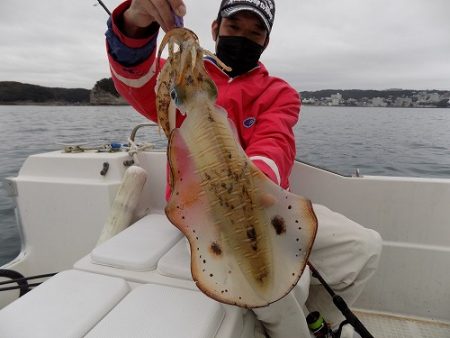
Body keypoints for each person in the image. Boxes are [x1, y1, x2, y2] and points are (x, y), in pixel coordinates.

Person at [105, 1, 382, 337]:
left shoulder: (278, 92)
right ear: (215, 29)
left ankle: (317, 320)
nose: (243, 37)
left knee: (363, 247)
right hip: (200, 212)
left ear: (265, 41)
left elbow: (275, 141)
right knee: (275, 289)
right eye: (234, 27)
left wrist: (255, 184)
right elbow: (135, 77)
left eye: (255, 32)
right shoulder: (180, 78)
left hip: (266, 200)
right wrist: (136, 21)